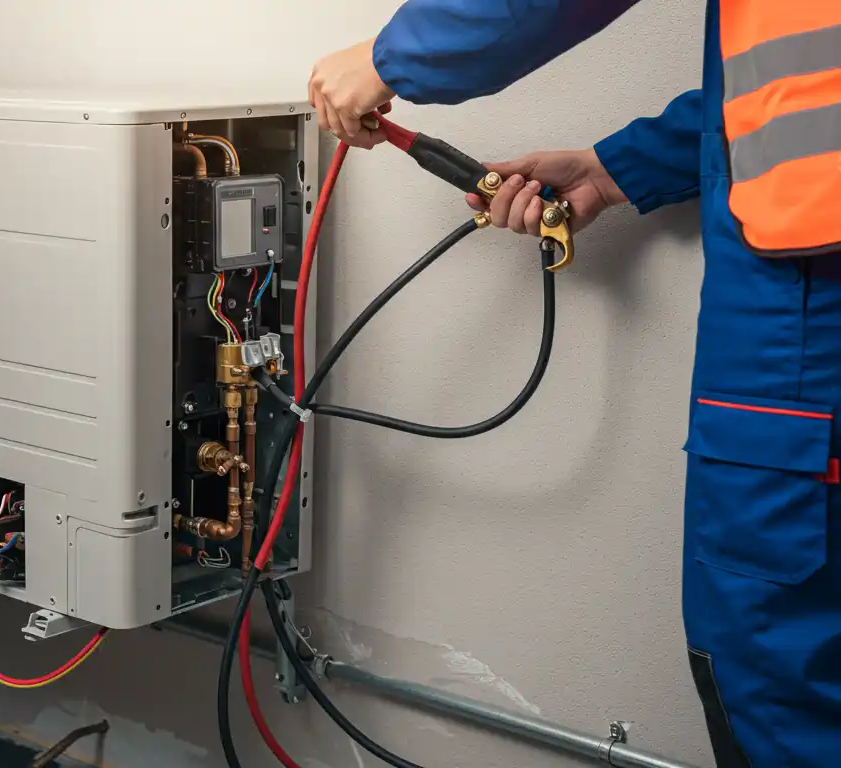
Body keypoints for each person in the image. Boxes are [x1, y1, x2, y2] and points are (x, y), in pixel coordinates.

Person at [309, 2, 840, 766]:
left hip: (810, 310)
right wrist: (616, 167)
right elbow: (791, 97)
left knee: (782, 676)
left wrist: (388, 60)